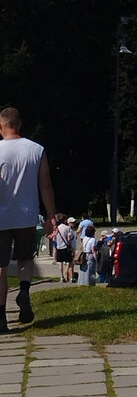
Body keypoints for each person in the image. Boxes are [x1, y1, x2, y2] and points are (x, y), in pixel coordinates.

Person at [0, 108, 55, 330]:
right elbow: (46, 185)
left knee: (1, 268)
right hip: (27, 215)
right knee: (25, 259)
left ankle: (1, 319)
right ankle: (23, 290)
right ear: (20, 125)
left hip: (1, 218)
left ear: (1, 126)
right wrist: (51, 216)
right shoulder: (36, 150)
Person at [53, 213, 74, 283]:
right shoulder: (67, 228)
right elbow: (69, 239)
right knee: (70, 262)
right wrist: (70, 245)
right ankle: (71, 277)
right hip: (66, 247)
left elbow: (54, 238)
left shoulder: (56, 228)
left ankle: (62, 276)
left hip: (59, 247)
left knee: (60, 263)